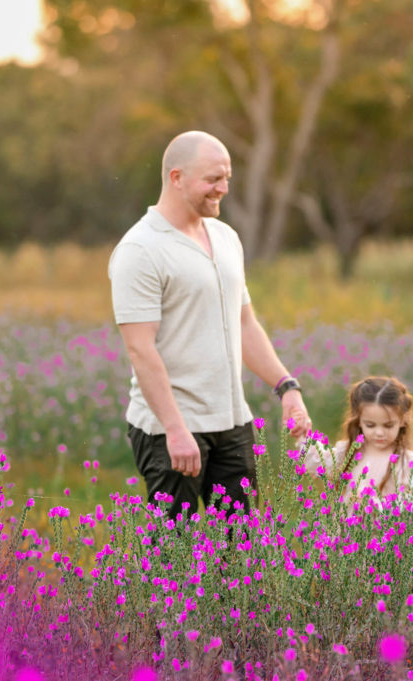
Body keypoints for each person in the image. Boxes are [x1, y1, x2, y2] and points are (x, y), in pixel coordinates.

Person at [109, 130, 312, 521]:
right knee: (174, 555)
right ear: (176, 177)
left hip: (232, 423)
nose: (223, 188)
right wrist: (175, 429)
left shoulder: (225, 237)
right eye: (213, 179)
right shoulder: (141, 249)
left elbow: (244, 322)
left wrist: (287, 387)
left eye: (227, 178)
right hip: (171, 429)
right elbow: (140, 348)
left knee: (240, 553)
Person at [307, 376, 413, 511]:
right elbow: (319, 463)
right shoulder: (351, 451)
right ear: (359, 421)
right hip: (346, 531)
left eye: (388, 425)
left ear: (403, 420)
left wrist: (374, 505)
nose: (379, 433)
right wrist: (302, 434)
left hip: (386, 531)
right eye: (370, 425)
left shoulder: (408, 462)